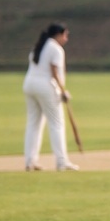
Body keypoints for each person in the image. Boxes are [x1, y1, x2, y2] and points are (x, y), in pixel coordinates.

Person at [22, 22, 78, 172]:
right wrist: (63, 91)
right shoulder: (56, 49)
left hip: (29, 84)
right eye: (65, 35)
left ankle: (30, 161)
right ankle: (62, 162)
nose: (66, 39)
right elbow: (54, 72)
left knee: (33, 123)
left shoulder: (39, 46)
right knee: (56, 123)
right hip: (45, 86)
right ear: (58, 34)